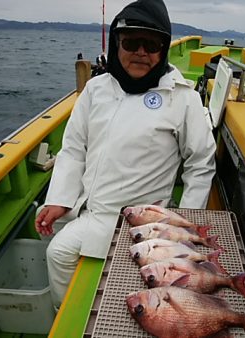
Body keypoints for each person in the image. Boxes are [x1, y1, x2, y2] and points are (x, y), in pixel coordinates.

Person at [35, 0, 216, 308]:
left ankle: (75, 315)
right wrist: (60, 198)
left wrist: (184, 223)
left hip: (141, 223)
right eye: (132, 42)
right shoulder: (97, 89)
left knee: (58, 252)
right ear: (117, 43)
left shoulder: (182, 98)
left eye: (152, 43)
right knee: (49, 238)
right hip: (88, 207)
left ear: (164, 49)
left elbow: (200, 164)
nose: (141, 52)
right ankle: (71, 313)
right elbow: (74, 147)